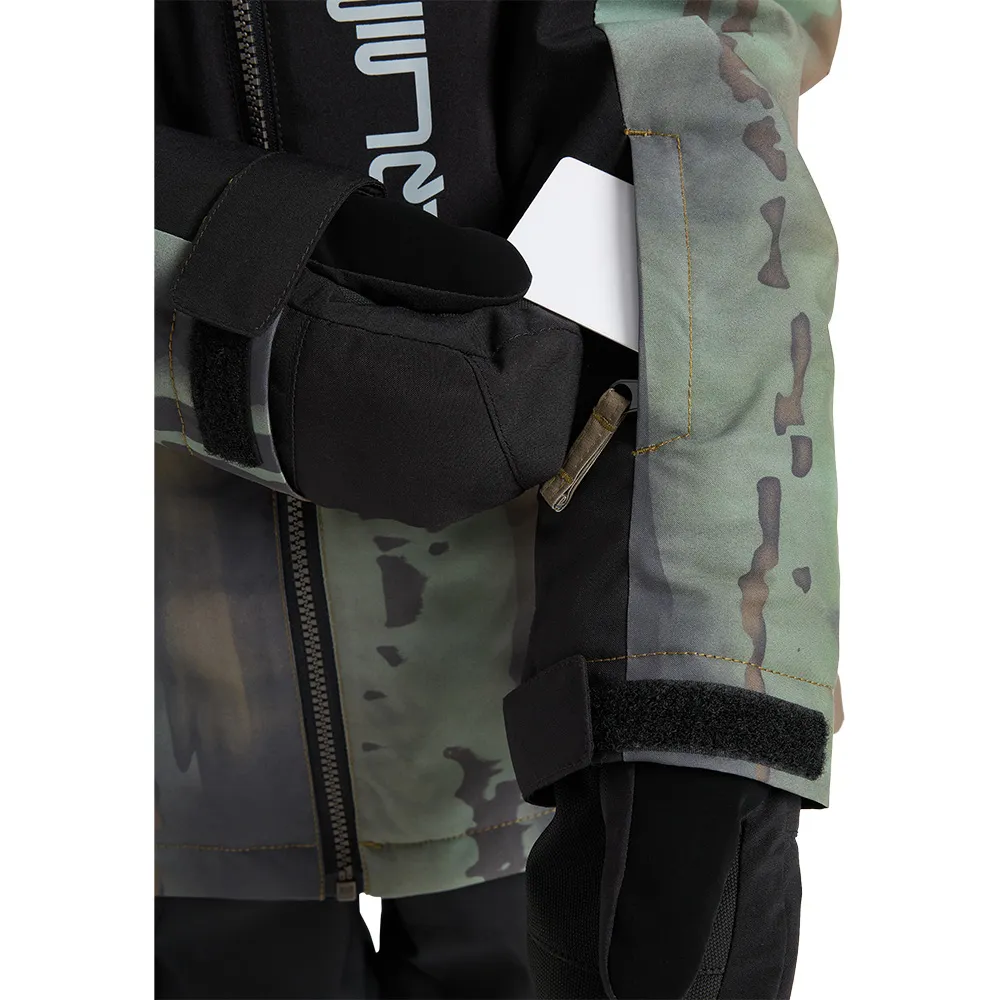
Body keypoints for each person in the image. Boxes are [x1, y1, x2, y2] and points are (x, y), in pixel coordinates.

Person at [154, 2, 844, 997]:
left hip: (533, 741)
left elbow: (708, 108)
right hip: (160, 762)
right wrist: (234, 298)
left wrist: (703, 692)